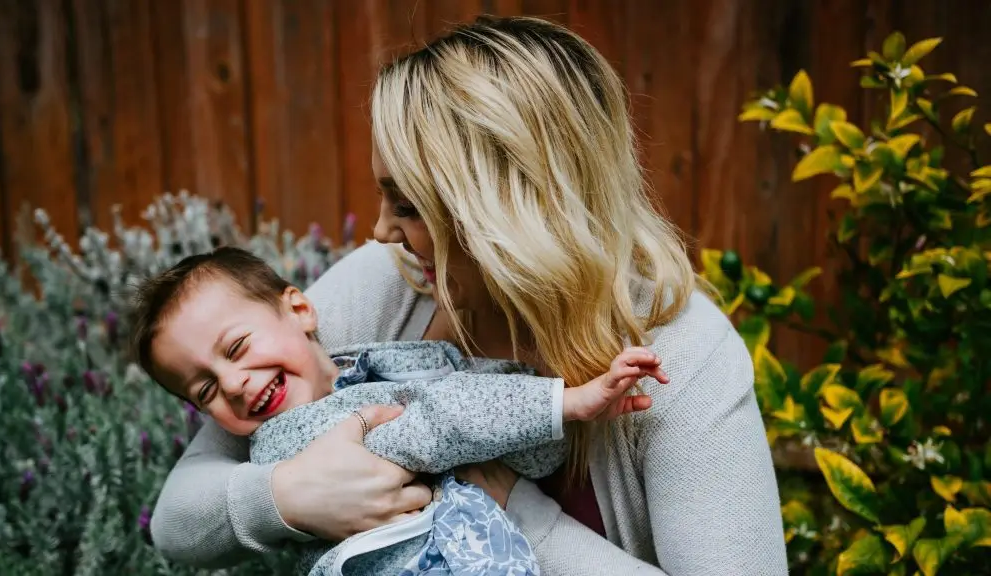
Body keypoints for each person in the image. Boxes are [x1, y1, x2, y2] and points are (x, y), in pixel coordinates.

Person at [150, 15, 787, 575]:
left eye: (408, 206)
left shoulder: (684, 356)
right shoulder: (390, 283)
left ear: (509, 209)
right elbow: (178, 518)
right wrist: (288, 497)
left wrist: (515, 511)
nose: (379, 232)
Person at [130, 246, 668, 575]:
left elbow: (504, 436)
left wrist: (530, 437)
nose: (234, 385)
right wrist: (566, 402)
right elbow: (436, 424)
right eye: (204, 392)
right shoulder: (292, 441)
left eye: (236, 348)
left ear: (299, 309)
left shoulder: (375, 367)